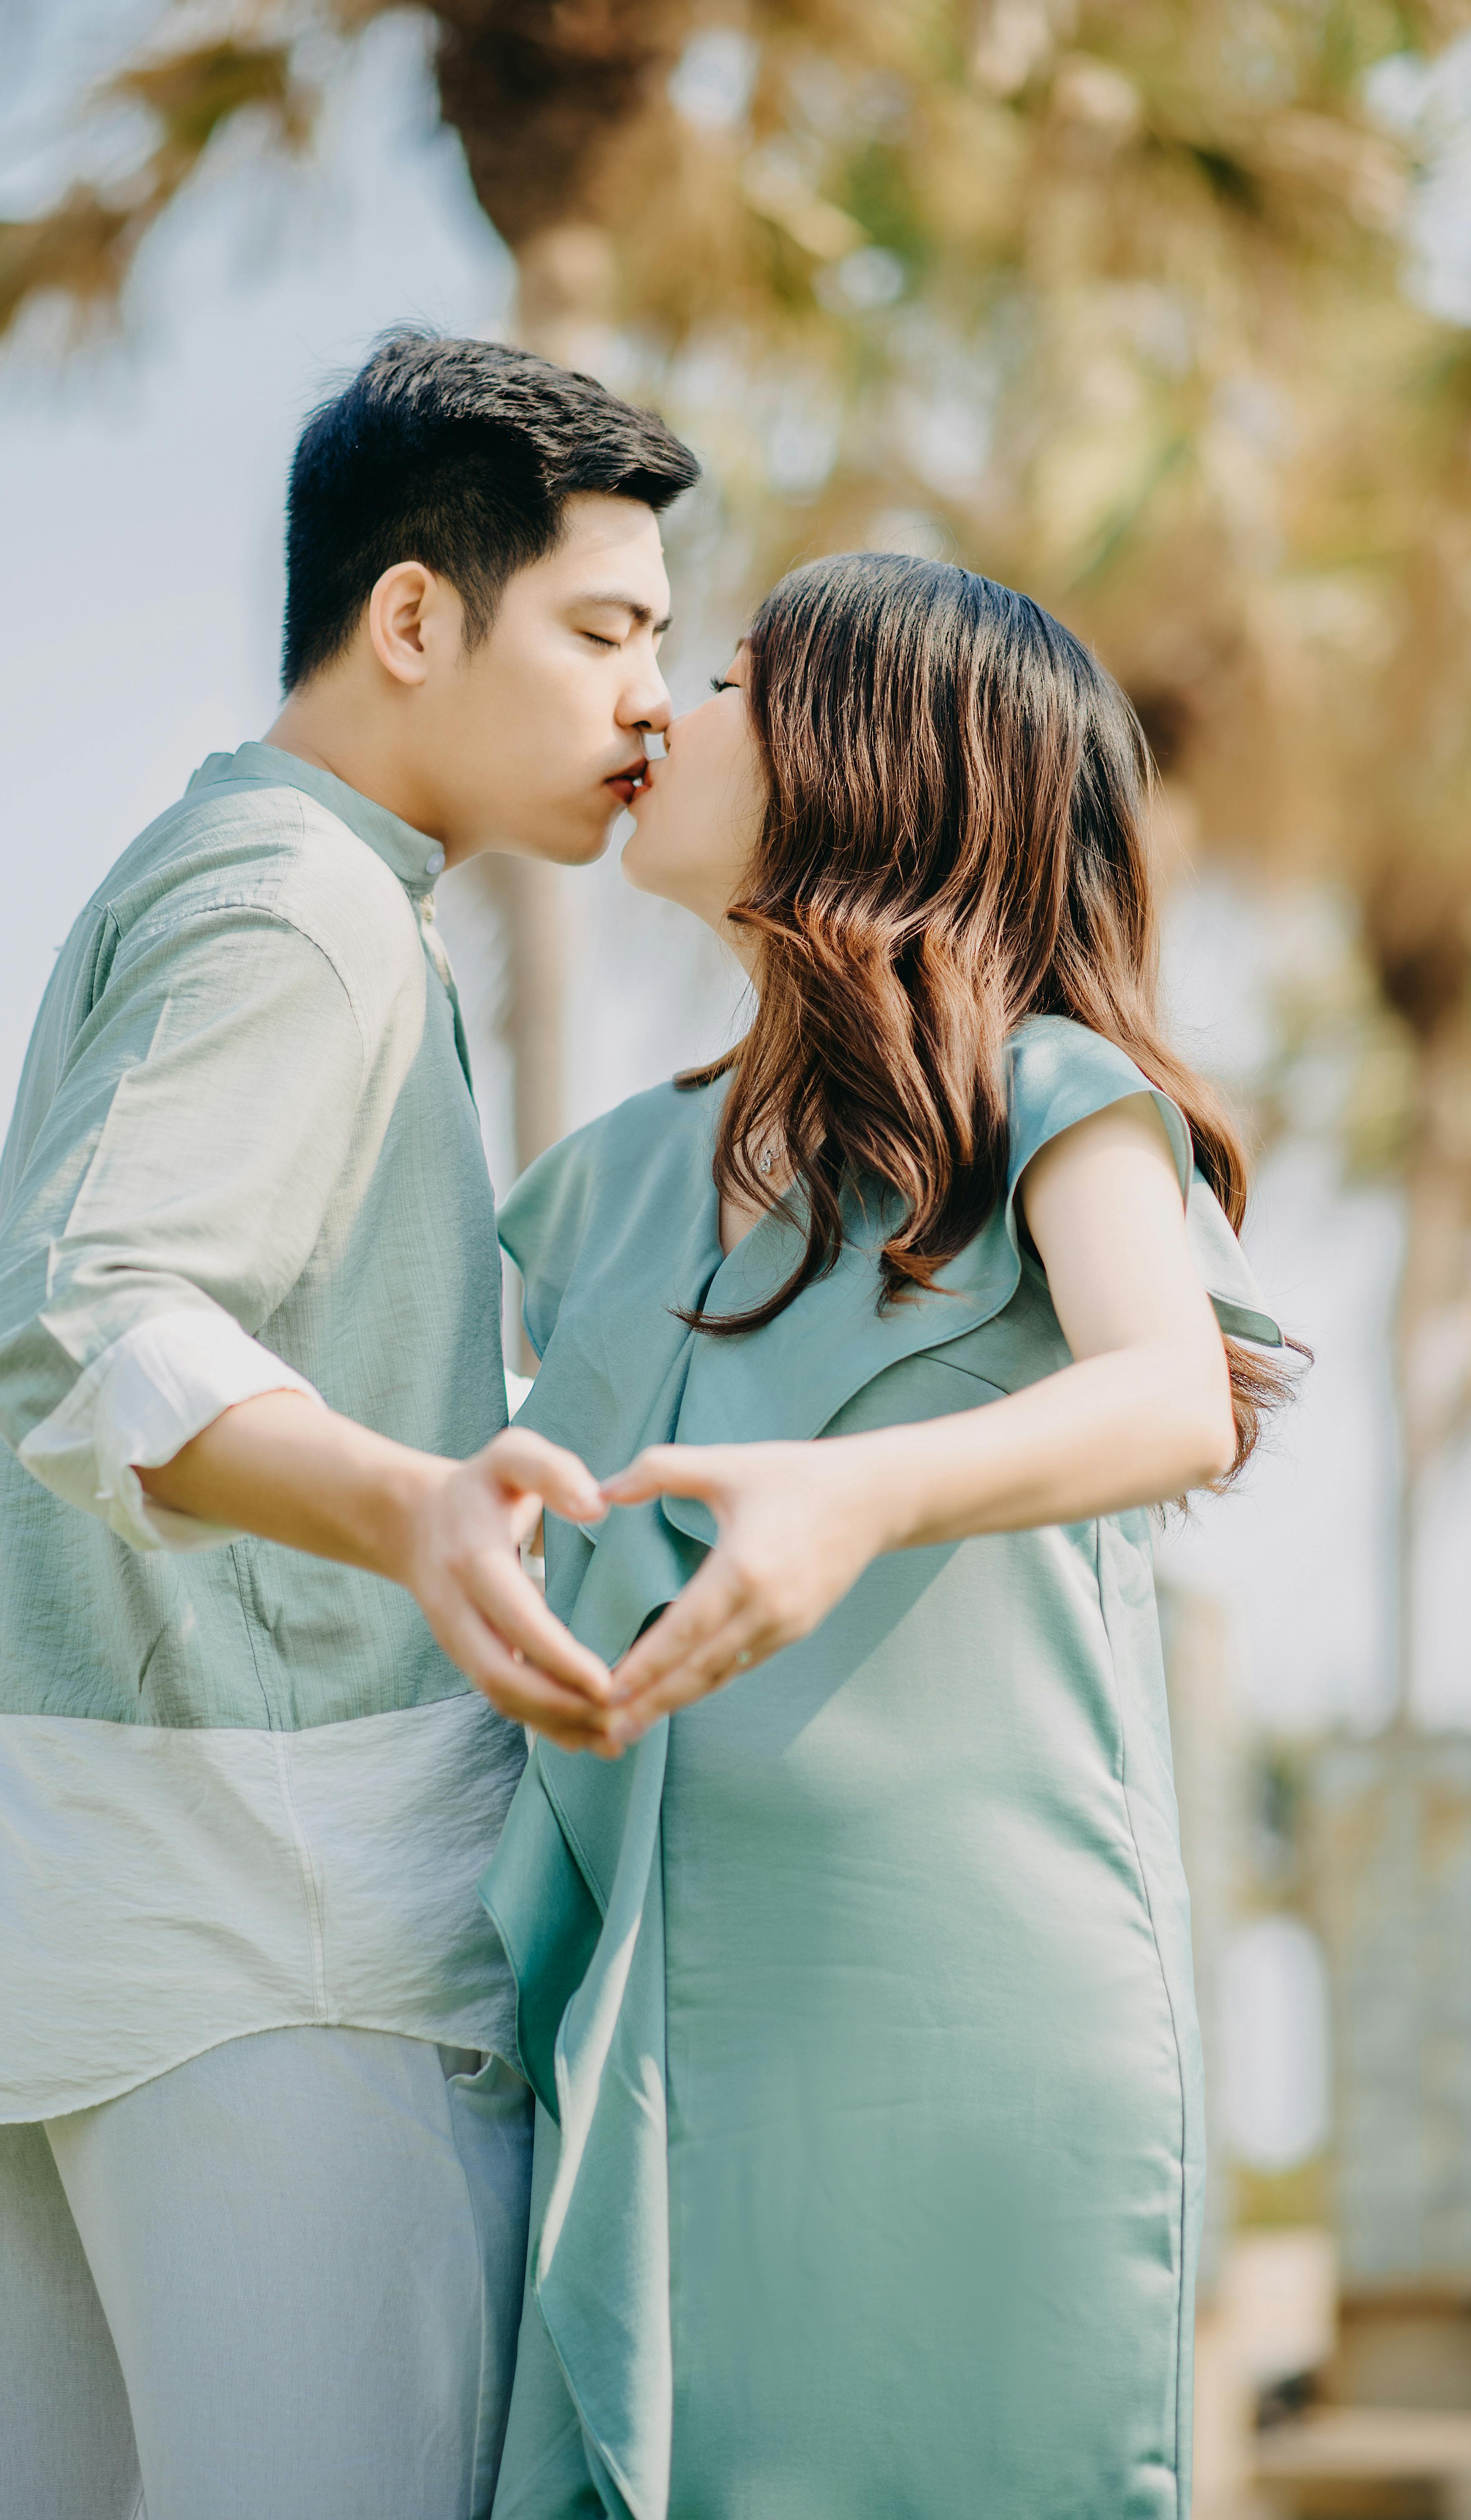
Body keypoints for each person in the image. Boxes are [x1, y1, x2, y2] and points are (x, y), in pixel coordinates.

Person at [0, 332, 698, 2520]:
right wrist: (417, 1501)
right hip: (260, 1938)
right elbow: (88, 1322)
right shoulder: (301, 908)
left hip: (18, 1910)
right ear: (415, 616)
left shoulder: (248, 868)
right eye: (606, 631)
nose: (655, 709)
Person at [482, 553, 1298, 2520]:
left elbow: (1169, 1395)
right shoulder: (593, 1189)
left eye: (746, 678)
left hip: (963, 2032)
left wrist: (853, 1491)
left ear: (876, 766)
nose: (673, 703)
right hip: (642, 2025)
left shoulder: (1045, 1098)